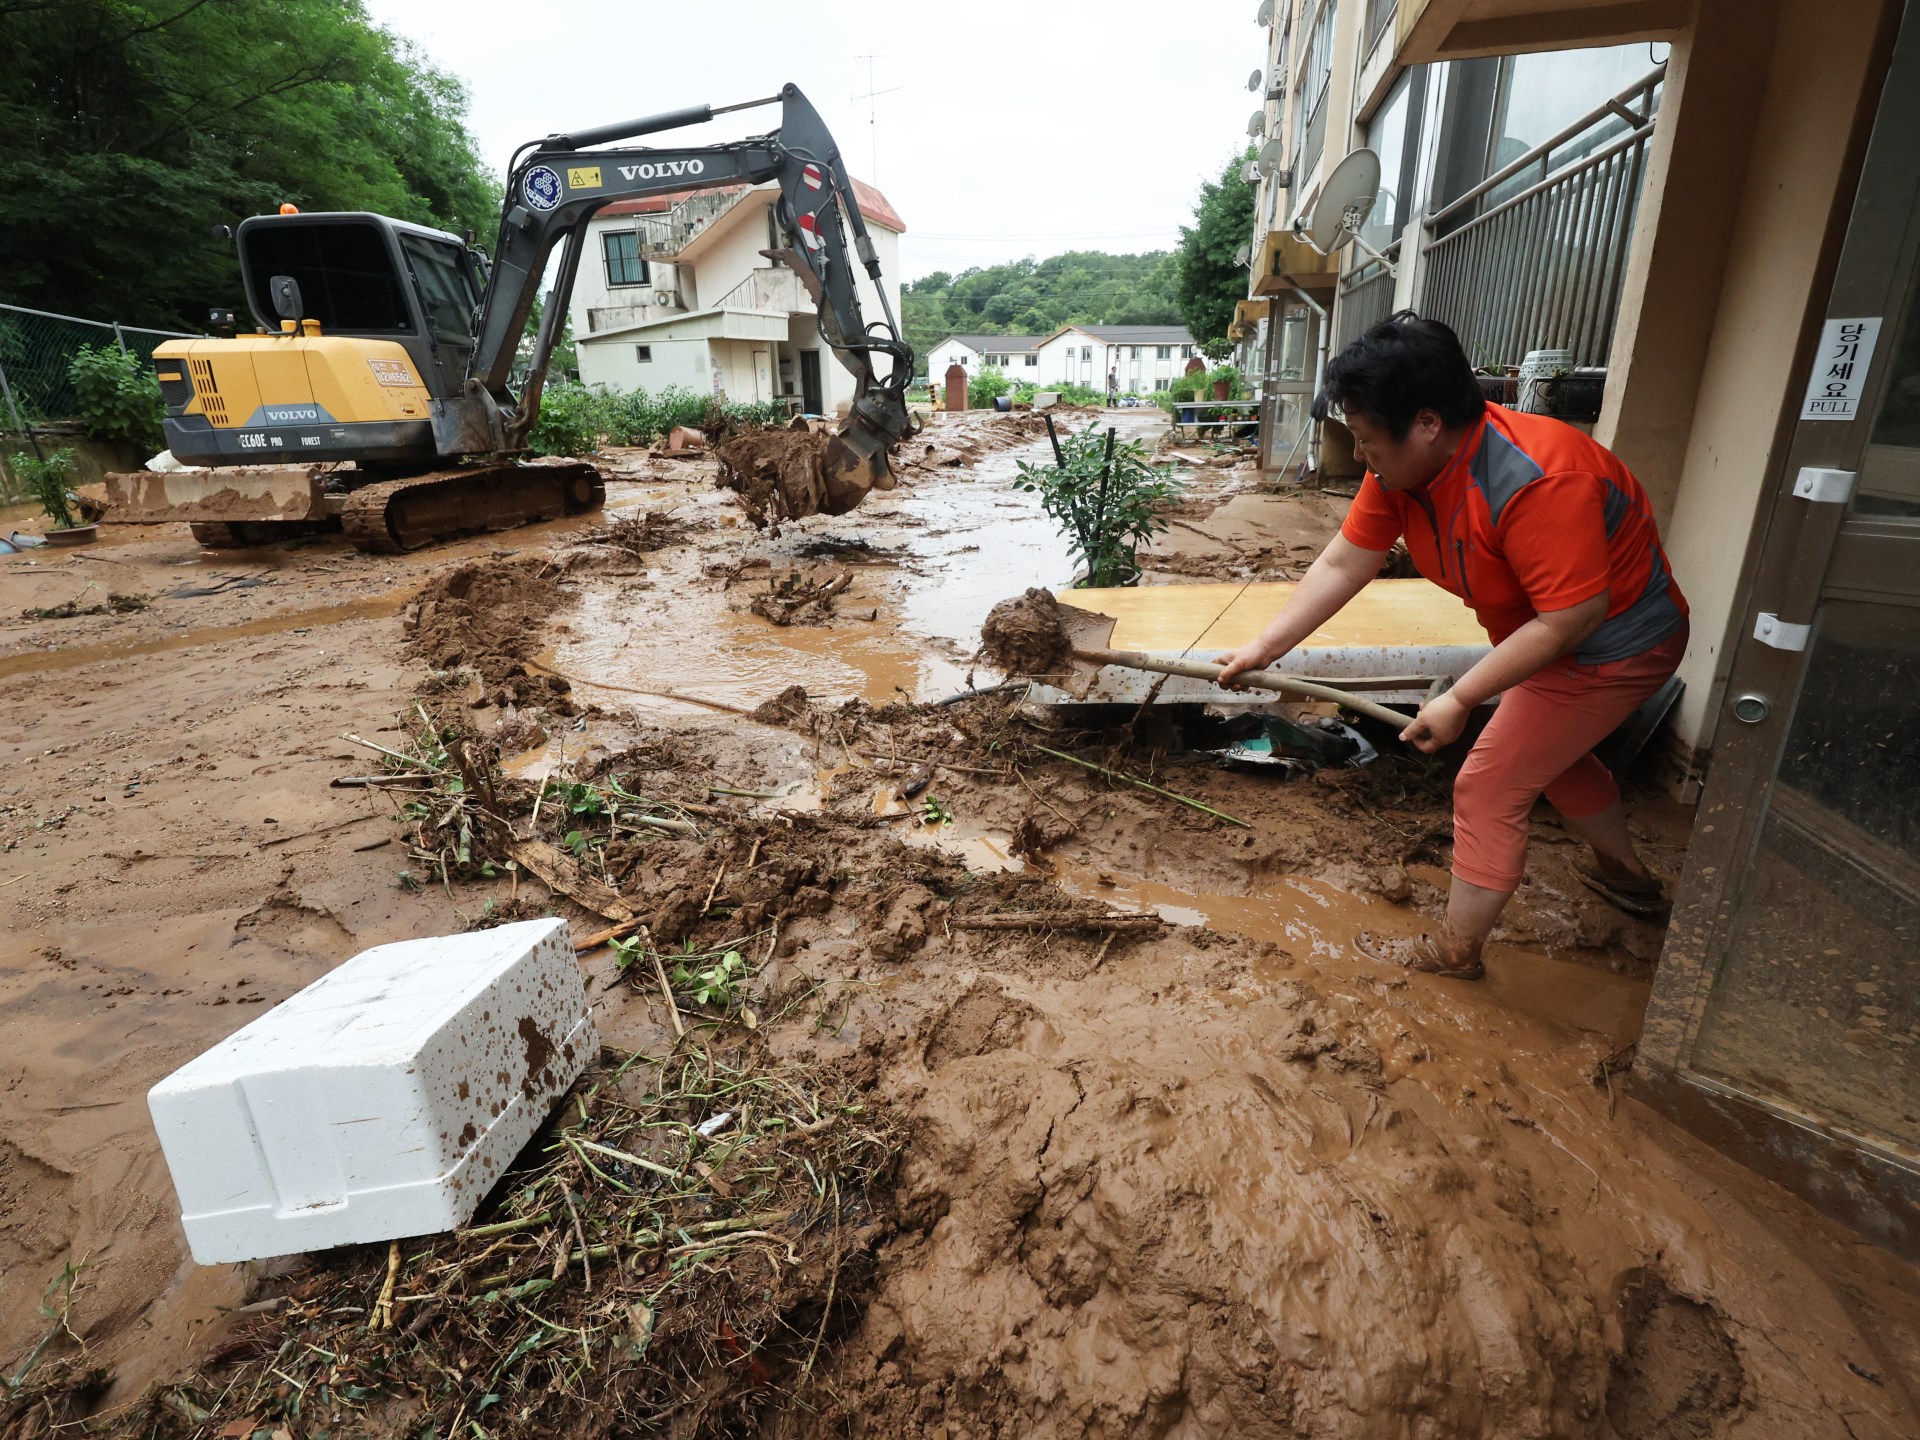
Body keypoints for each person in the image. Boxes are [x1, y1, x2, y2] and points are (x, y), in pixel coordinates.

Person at [1217, 312, 1688, 980]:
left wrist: (1462, 697)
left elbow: (1569, 619)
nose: (1359, 457)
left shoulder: (1539, 479)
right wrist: (1265, 648)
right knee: (1547, 755)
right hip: (1547, 637)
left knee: (1489, 783)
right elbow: (1345, 564)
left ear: (1429, 422)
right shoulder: (1402, 475)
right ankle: (1627, 876)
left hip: (1614, 645)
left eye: (1368, 439)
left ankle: (1454, 954)